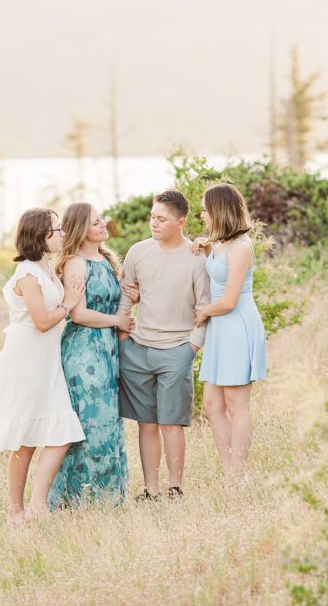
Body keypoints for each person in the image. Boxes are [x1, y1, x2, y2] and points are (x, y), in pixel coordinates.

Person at [0, 208, 87, 523]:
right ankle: (15, 511)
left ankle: (37, 504)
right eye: (57, 230)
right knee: (25, 438)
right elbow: (42, 322)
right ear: (41, 236)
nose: (62, 234)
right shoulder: (28, 274)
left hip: (47, 359)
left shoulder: (46, 268)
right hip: (25, 358)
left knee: (62, 431)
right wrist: (68, 303)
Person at [116, 190, 209, 501]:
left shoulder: (196, 258)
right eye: (152, 216)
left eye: (161, 219)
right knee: (147, 424)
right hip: (138, 349)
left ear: (181, 222)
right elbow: (126, 297)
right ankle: (150, 491)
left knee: (172, 425)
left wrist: (191, 349)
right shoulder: (138, 252)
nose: (153, 223)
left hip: (177, 349)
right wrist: (124, 340)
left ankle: (176, 489)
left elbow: (205, 307)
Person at [48, 203, 137, 509]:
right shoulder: (75, 263)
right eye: (95, 222)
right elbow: (79, 313)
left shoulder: (107, 258)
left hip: (108, 349)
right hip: (85, 350)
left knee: (109, 422)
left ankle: (109, 497)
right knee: (89, 423)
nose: (102, 225)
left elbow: (115, 304)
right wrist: (117, 322)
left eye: (101, 220)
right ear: (80, 228)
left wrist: (130, 299)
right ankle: (79, 500)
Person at [191, 183, 267, 481]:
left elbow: (229, 299)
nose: (202, 215)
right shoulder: (221, 244)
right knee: (211, 403)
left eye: (205, 210)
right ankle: (230, 469)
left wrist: (203, 312)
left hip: (236, 324)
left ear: (219, 211)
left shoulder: (241, 247)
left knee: (237, 403)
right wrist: (206, 247)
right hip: (221, 330)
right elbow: (217, 269)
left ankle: (238, 473)